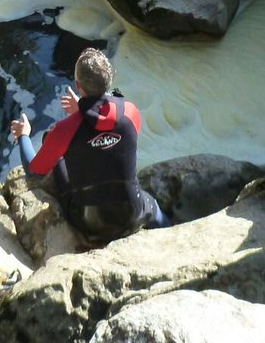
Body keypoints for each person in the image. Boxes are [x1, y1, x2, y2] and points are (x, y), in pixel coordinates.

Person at [10, 47, 170, 244]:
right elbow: (111, 135)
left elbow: (35, 170)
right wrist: (85, 110)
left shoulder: (65, 129)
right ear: (109, 81)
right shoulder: (130, 112)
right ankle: (172, 232)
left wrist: (23, 136)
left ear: (78, 85)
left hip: (91, 225)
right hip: (134, 214)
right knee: (153, 205)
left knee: (54, 149)